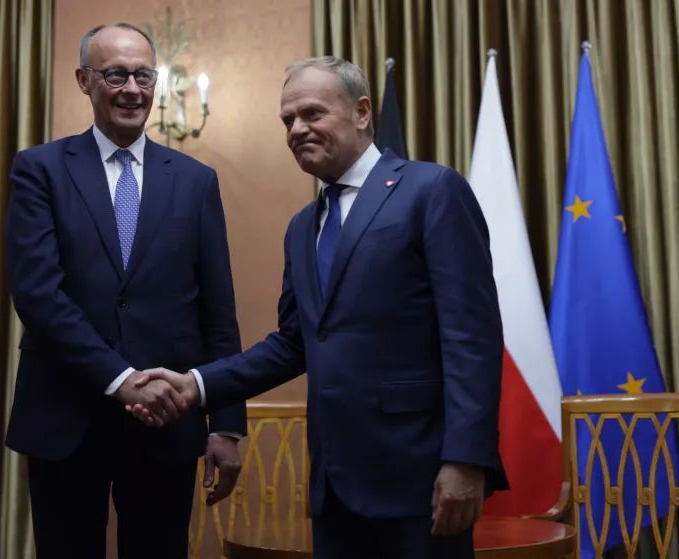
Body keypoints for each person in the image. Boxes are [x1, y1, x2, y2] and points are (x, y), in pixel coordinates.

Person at [132, 56, 508, 559]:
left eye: (312, 113)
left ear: (361, 112)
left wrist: (466, 459)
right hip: (334, 485)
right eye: (287, 120)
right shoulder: (302, 226)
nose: (296, 129)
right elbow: (295, 343)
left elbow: (472, 336)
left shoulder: (431, 190)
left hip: (420, 475)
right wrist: (197, 384)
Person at [3, 22, 246, 558]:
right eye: (116, 75)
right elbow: (39, 296)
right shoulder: (39, 170)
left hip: (168, 425)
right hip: (65, 416)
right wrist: (121, 379)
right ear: (84, 80)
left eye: (143, 75)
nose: (133, 89)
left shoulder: (196, 179)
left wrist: (227, 424)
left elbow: (217, 311)